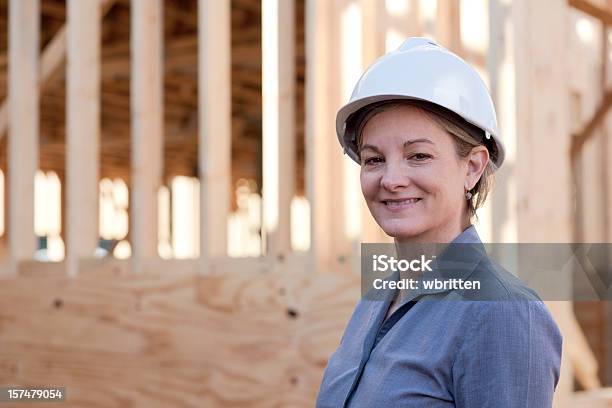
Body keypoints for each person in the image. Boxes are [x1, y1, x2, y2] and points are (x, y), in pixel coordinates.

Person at [316, 38, 562, 407]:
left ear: (473, 168)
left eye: (418, 155)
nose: (391, 179)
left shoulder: (503, 314)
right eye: (373, 159)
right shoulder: (375, 299)